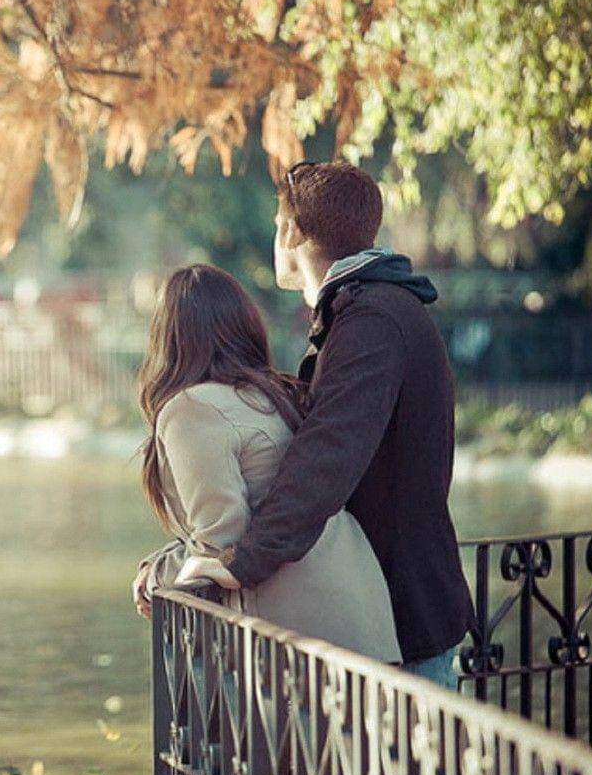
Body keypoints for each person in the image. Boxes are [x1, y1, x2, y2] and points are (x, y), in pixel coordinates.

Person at [136, 161, 475, 688]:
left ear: (292, 231)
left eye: (278, 225)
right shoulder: (364, 312)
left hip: (403, 606)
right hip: (387, 601)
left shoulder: (372, 320)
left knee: (408, 747)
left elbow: (326, 457)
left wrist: (242, 563)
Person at [131, 263, 400, 662]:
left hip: (298, 635)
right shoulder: (274, 395)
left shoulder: (190, 408)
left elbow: (222, 539)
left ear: (166, 339)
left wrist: (155, 576)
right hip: (362, 614)